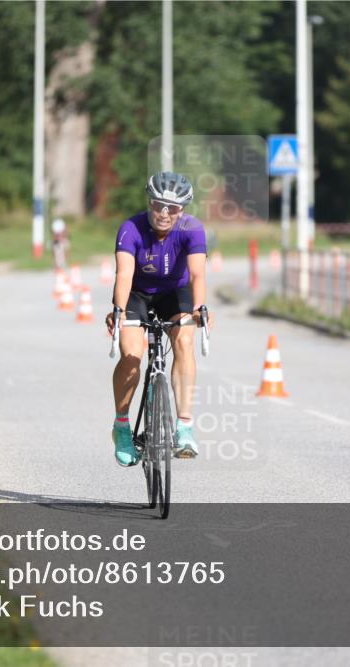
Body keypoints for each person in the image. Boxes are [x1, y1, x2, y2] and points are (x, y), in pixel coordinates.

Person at [104, 171, 213, 466]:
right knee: (131, 355)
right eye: (157, 205)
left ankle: (185, 426)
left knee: (184, 339)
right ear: (149, 202)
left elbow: (197, 274)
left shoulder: (193, 229)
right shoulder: (131, 229)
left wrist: (200, 308)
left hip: (174, 293)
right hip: (137, 294)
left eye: (173, 208)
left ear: (183, 210)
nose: (164, 214)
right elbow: (124, 274)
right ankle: (122, 427)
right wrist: (118, 309)